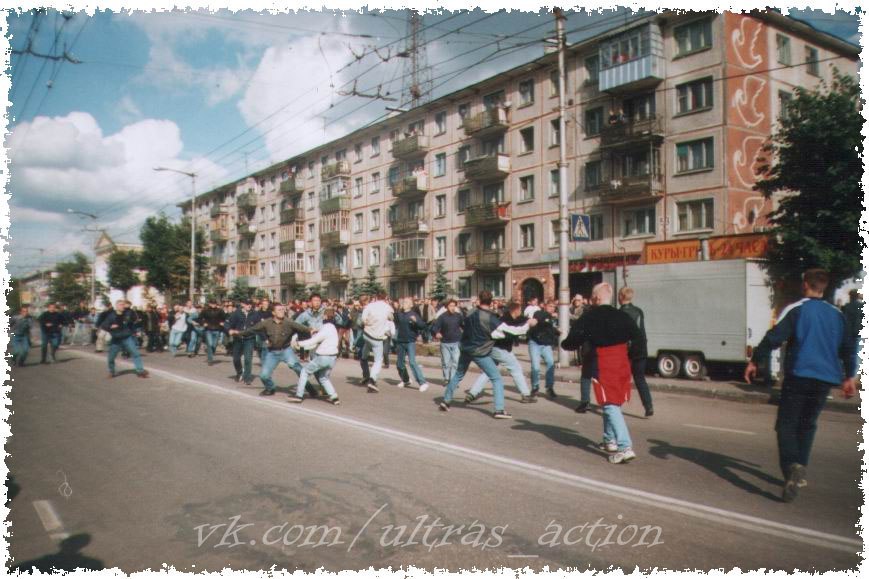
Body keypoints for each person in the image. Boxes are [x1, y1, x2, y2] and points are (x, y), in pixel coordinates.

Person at [745, 269, 857, 503]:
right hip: (826, 378)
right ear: (823, 287)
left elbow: (774, 337)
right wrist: (850, 377)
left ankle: (792, 468)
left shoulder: (797, 310)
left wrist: (755, 360)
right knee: (807, 424)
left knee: (786, 425)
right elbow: (848, 347)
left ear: (805, 284)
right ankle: (801, 470)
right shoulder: (837, 314)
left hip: (799, 375)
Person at [562, 282, 645, 464]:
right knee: (615, 401)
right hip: (623, 360)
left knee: (608, 403)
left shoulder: (590, 317)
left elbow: (573, 340)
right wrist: (632, 356)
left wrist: (564, 343)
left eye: (592, 297)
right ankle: (610, 440)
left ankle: (625, 446)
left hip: (604, 360)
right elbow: (639, 338)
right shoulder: (622, 316)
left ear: (597, 298)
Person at [439, 291, 514, 419]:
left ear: (479, 300)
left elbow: (465, 325)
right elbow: (506, 331)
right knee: (496, 378)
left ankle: (445, 401)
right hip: (480, 351)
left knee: (458, 374)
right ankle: (499, 409)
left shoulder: (470, 312)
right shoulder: (490, 317)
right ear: (491, 302)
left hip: (465, 348)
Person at [465, 300, 538, 406]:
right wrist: (527, 324)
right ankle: (525, 394)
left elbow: (521, 320)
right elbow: (514, 330)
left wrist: (530, 320)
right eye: (520, 310)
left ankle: (472, 393)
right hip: (500, 349)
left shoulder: (509, 318)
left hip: (494, 349)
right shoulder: (505, 320)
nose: (521, 312)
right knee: (516, 368)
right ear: (516, 310)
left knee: (488, 372)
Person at [235, 303, 310, 396]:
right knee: (263, 375)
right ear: (273, 313)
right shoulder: (266, 322)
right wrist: (238, 333)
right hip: (272, 352)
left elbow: (305, 330)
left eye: (283, 309)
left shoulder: (289, 322)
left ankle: (310, 389)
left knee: (299, 369)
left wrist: (313, 332)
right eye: (279, 310)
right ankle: (270, 388)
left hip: (286, 350)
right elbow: (252, 329)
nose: (282, 311)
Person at [288, 308, 341, 405]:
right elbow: (322, 335)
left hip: (323, 356)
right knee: (323, 377)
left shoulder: (326, 328)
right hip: (333, 357)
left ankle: (298, 396)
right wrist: (317, 331)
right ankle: (334, 397)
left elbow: (313, 341)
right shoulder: (333, 327)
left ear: (324, 316)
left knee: (304, 372)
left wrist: (298, 344)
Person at [618, 287, 654, 417]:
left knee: (622, 378)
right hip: (641, 349)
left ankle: (618, 404)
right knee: (640, 378)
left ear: (620, 297)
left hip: (627, 351)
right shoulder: (639, 311)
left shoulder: (619, 313)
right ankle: (648, 406)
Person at [100, 300, 149, 379]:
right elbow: (103, 325)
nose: (123, 306)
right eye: (120, 305)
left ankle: (140, 371)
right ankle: (111, 372)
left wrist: (136, 327)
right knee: (111, 357)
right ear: (116, 306)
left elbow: (135, 321)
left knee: (135, 353)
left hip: (127, 337)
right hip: (116, 339)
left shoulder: (127, 313)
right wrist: (110, 327)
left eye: (123, 305)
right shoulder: (111, 315)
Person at [360, 291, 394, 393]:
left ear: (376, 297)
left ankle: (366, 375)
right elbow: (391, 318)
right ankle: (372, 380)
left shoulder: (369, 306)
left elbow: (363, 319)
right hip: (377, 338)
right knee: (378, 360)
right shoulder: (388, 307)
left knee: (364, 355)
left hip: (366, 335)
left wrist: (370, 323)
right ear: (385, 298)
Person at [394, 297, 430, 392]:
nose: (404, 303)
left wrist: (416, 321)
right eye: (403, 302)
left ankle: (423, 382)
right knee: (399, 364)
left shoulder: (414, 315)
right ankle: (406, 380)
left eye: (406, 302)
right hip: (400, 341)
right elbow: (395, 321)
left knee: (412, 362)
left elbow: (423, 325)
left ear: (411, 305)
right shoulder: (399, 314)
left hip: (410, 341)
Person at [528, 300, 559, 399]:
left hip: (546, 345)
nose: (552, 308)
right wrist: (549, 316)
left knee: (550, 363)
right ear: (545, 306)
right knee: (535, 367)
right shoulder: (539, 313)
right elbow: (540, 319)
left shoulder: (551, 318)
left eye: (554, 306)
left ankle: (549, 387)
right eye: (550, 306)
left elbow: (549, 328)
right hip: (535, 343)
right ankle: (535, 387)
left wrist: (557, 332)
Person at [431, 299, 464, 384]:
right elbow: (435, 327)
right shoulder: (442, 317)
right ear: (446, 307)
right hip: (445, 342)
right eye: (450, 306)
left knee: (455, 362)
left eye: (454, 306)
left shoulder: (458, 316)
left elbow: (464, 326)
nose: (452, 308)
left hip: (456, 341)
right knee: (446, 362)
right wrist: (437, 333)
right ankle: (446, 378)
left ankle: (452, 379)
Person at [841, 289, 863, 381]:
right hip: (857, 332)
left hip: (846, 333)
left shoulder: (846, 307)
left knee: (846, 353)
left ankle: (846, 374)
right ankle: (853, 377)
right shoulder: (861, 306)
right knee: (856, 354)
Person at [200, 299, 227, 366]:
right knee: (210, 344)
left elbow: (224, 317)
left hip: (217, 329)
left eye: (214, 303)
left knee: (214, 345)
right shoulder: (205, 311)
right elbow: (200, 318)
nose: (213, 305)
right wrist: (203, 323)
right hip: (208, 329)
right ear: (209, 304)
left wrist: (222, 322)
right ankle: (210, 360)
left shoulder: (220, 311)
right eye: (212, 303)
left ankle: (211, 352)